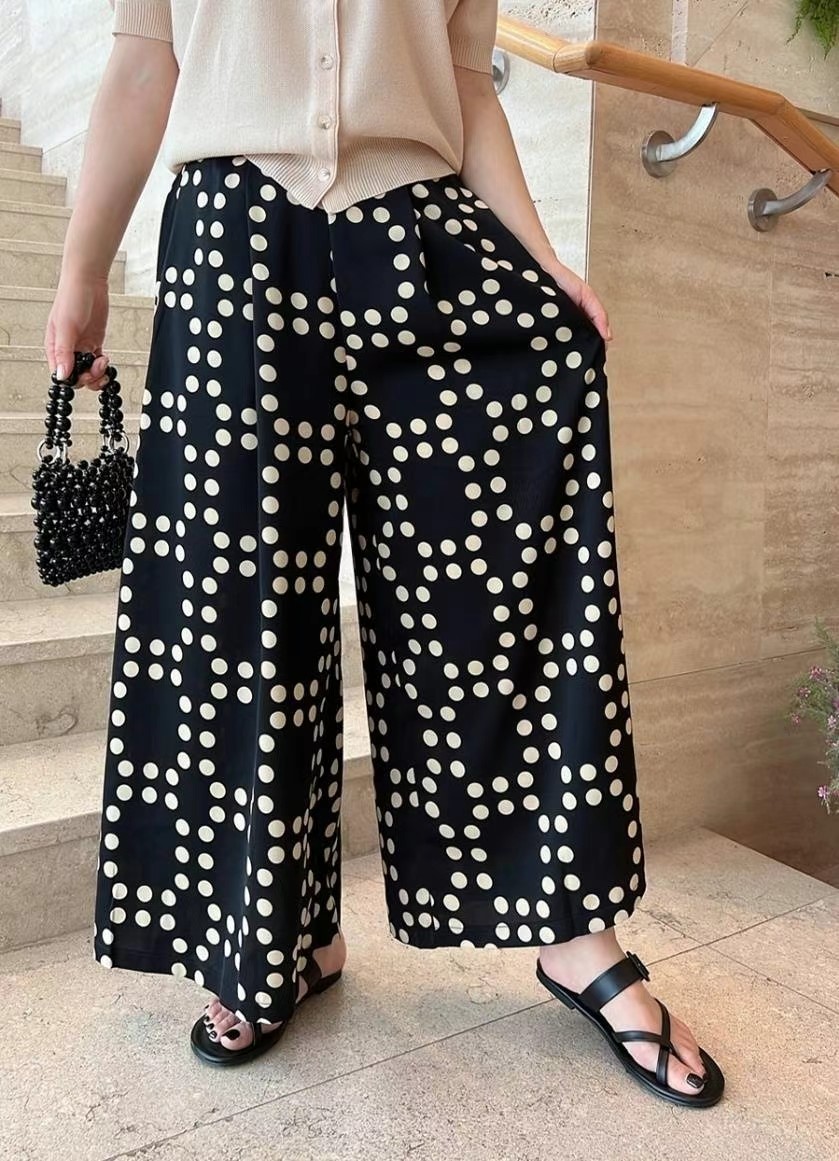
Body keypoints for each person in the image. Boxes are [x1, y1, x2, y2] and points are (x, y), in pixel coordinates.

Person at [44, 0, 723, 1106]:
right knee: (240, 624)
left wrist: (541, 259)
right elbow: (141, 68)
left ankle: (572, 933)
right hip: (232, 251)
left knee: (488, 591)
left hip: (422, 234)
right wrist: (81, 272)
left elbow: (467, 88)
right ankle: (274, 939)